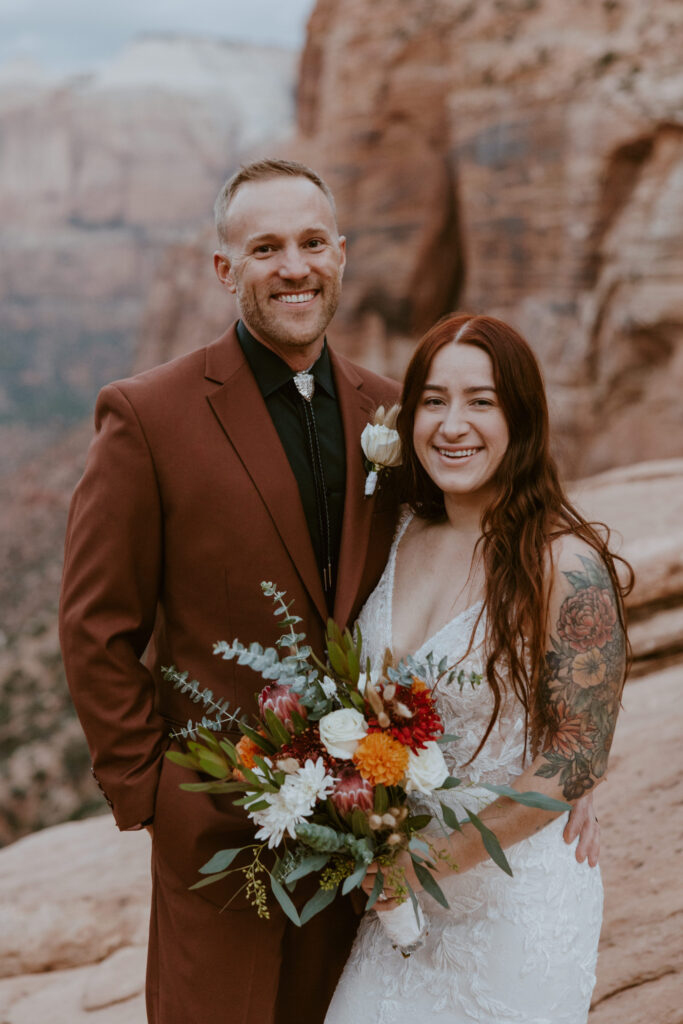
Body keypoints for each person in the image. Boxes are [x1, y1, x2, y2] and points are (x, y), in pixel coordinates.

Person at [59, 162, 599, 1024]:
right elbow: (95, 627)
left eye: (312, 243)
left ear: (341, 256)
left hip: (372, 849)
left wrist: (560, 773)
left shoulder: (395, 416)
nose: (294, 266)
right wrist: (157, 798)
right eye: (264, 247)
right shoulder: (146, 415)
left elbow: (473, 573)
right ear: (223, 268)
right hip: (221, 840)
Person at [325, 313, 630, 1024]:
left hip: (511, 905)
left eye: (480, 401)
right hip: (393, 894)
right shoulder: (397, 528)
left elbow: (577, 753)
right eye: (432, 400)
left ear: (520, 417)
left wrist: (426, 863)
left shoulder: (563, 565)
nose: (451, 425)